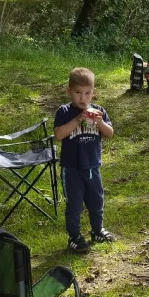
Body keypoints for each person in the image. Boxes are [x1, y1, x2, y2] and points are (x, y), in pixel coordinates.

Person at [54, 67, 115, 253]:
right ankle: (74, 237)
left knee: (96, 201)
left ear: (93, 93)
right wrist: (77, 120)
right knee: (74, 205)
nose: (83, 98)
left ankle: (97, 231)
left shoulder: (99, 111)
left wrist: (100, 123)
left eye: (87, 93)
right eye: (78, 93)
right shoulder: (64, 111)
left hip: (92, 166)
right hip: (71, 168)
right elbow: (58, 135)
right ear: (69, 92)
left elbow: (110, 134)